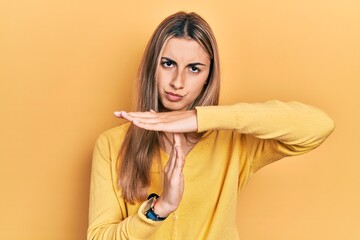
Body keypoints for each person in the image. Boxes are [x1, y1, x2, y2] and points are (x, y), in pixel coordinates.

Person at [87, 11, 335, 240]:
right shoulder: (111, 145)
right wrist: (160, 208)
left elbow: (318, 125)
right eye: (168, 64)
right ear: (152, 67)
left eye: (194, 69)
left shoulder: (233, 142)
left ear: (208, 78)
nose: (178, 82)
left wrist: (200, 118)